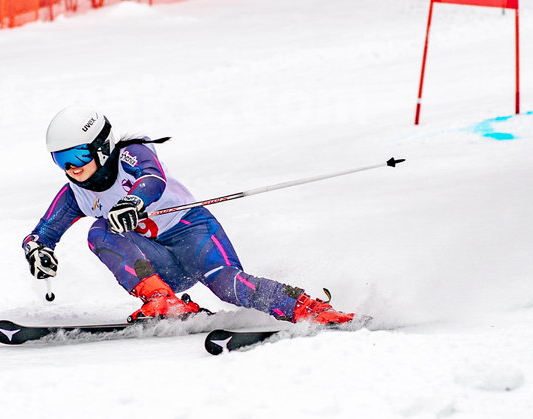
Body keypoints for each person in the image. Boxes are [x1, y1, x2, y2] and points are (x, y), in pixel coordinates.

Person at [22, 105, 356, 324]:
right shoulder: (75, 194)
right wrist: (37, 251)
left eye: (78, 155)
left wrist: (133, 203)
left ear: (102, 146)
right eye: (60, 160)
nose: (72, 168)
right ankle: (163, 301)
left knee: (229, 288)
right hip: (159, 265)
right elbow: (42, 233)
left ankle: (310, 309)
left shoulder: (131, 155)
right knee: (100, 231)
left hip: (192, 233)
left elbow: (152, 179)